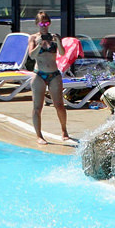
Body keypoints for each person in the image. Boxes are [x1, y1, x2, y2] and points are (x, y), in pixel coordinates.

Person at [27, 11, 75, 146]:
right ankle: (39, 136)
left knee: (59, 105)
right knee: (37, 107)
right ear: (37, 24)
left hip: (54, 74)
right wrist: (39, 44)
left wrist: (58, 41)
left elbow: (63, 53)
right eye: (41, 23)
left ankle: (64, 131)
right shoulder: (33, 38)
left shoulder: (54, 37)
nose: (44, 26)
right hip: (39, 75)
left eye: (46, 23)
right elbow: (31, 55)